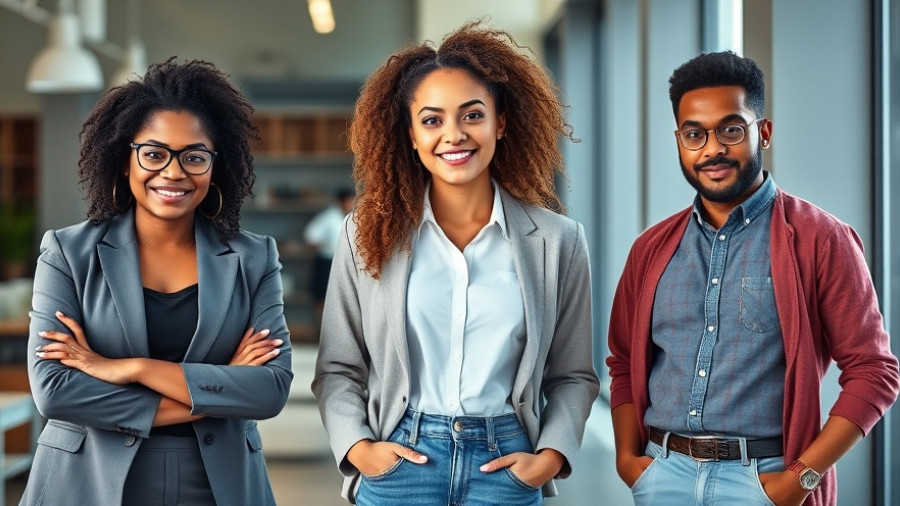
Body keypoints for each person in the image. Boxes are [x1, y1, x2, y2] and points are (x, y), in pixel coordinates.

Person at [312, 22, 600, 505]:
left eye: (472, 115)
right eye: (432, 120)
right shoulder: (364, 234)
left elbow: (573, 374)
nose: (454, 135)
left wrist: (549, 456)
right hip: (399, 461)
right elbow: (339, 367)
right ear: (409, 133)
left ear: (500, 123)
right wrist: (358, 448)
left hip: (506, 463)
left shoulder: (558, 240)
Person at [606, 50, 899, 506]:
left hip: (766, 480)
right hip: (662, 475)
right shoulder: (649, 250)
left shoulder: (821, 239)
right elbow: (623, 362)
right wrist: (628, 459)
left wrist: (799, 480)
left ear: (763, 132)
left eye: (731, 129)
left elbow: (874, 372)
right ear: (679, 140)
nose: (712, 148)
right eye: (694, 134)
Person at [22, 59, 293, 505]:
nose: (173, 172)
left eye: (194, 156)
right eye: (153, 153)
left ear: (214, 166)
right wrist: (220, 389)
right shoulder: (69, 253)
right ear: (123, 159)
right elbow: (55, 390)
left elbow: (270, 389)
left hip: (219, 484)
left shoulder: (254, 256)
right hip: (87, 480)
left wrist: (131, 369)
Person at [303, 187, 355, 323]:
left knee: (343, 298)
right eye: (350, 201)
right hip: (327, 262)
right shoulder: (328, 217)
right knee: (322, 297)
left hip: (345, 263)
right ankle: (322, 330)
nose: (352, 204)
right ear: (341, 201)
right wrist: (328, 247)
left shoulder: (352, 217)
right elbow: (310, 237)